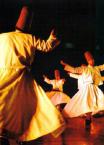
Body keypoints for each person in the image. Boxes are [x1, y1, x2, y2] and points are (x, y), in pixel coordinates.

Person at [0, 6, 65, 145]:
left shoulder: (3, 37)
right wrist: (53, 37)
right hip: (21, 77)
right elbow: (47, 46)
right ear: (29, 24)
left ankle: (5, 134)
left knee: (4, 106)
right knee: (24, 108)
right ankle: (20, 135)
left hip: (4, 75)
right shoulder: (30, 38)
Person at [60, 51, 104, 128]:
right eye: (91, 60)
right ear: (88, 61)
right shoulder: (84, 69)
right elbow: (75, 70)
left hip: (94, 87)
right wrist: (65, 65)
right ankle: (87, 118)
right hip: (86, 88)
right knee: (86, 103)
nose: (93, 61)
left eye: (93, 59)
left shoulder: (96, 68)